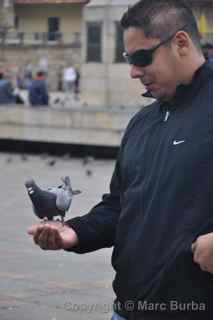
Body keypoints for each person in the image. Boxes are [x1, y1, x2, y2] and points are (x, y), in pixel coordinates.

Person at [28, 1, 213, 319]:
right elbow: (119, 206)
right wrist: (75, 232)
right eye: (129, 59)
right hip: (126, 309)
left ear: (180, 42)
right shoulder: (142, 123)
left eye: (142, 58)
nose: (133, 71)